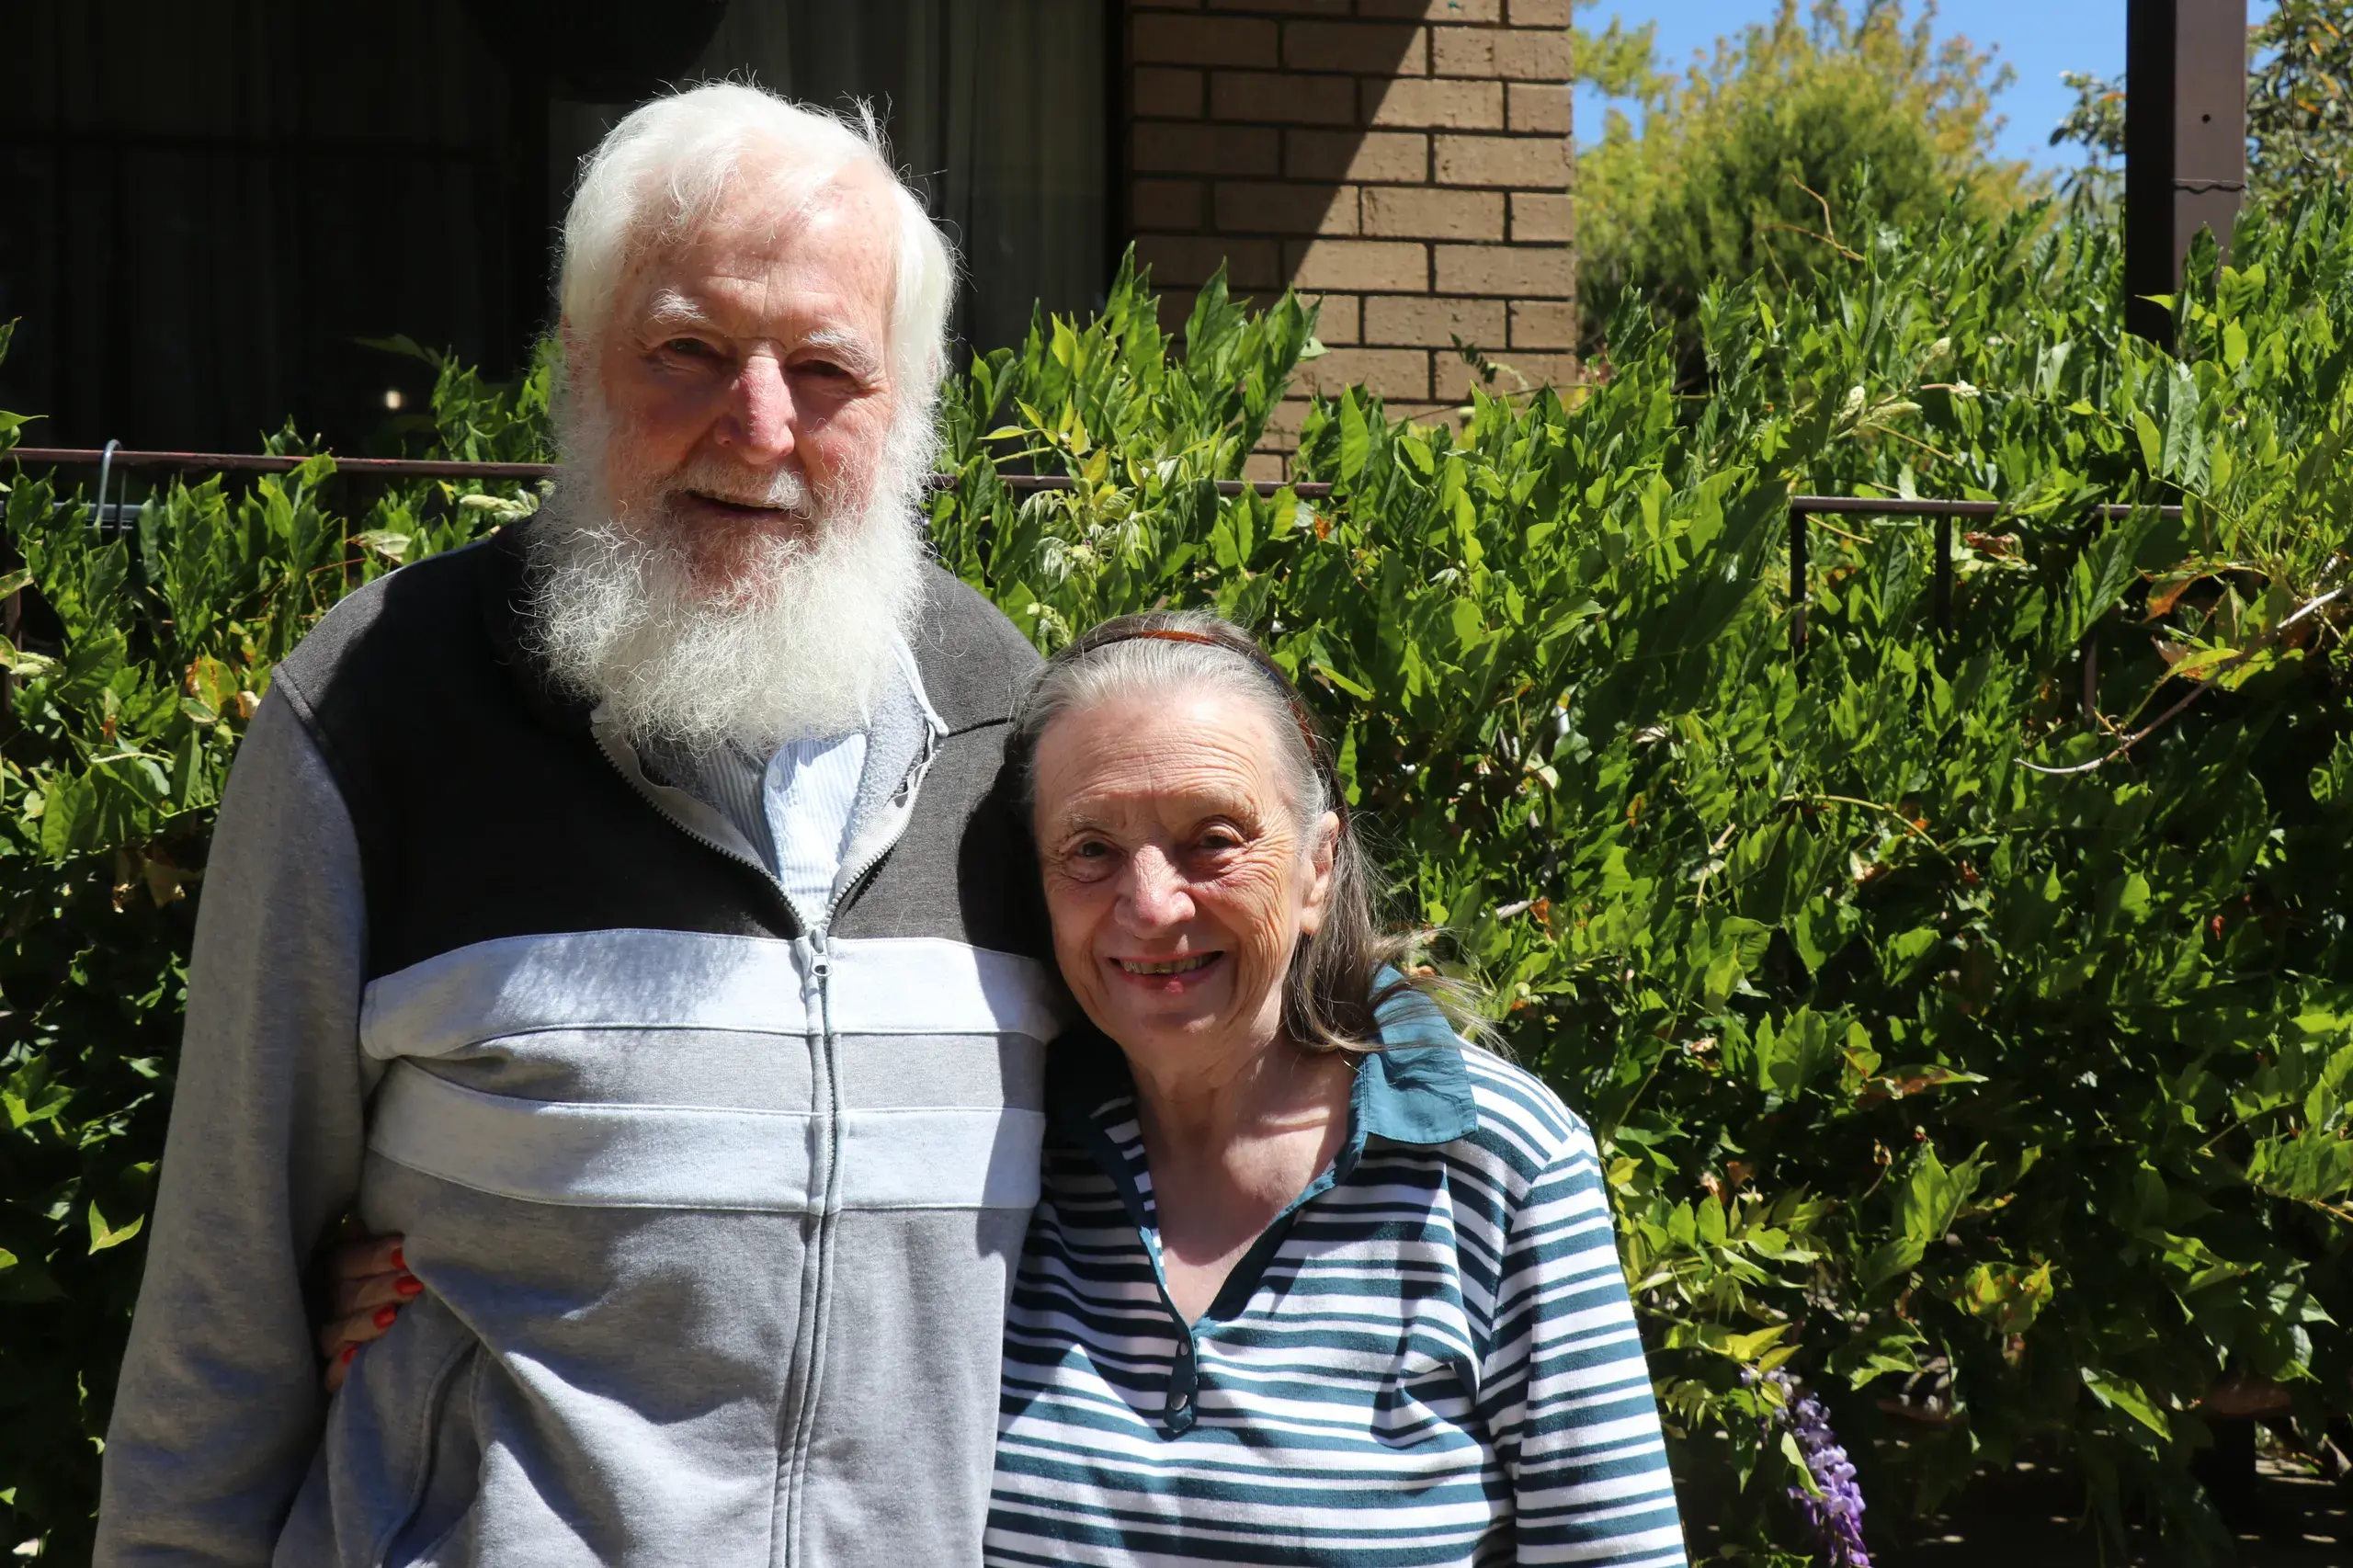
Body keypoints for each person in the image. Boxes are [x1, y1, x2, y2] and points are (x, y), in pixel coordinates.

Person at [96, 85, 1062, 1568]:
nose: (759, 427)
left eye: (826, 370)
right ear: (576, 367)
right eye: (688, 351)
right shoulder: (379, 707)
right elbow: (221, 1312)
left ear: (908, 407)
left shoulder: (1014, 734)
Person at [335, 612, 1689, 1565]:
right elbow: (758, 1319)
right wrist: (442, 1283)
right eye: (1089, 849)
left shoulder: (1501, 1166)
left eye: (1214, 839)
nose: (1152, 908)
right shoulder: (1000, 1151)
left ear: (1323, 861)